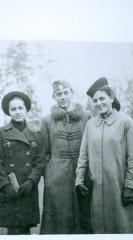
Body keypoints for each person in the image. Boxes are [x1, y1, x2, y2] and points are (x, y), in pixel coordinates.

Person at [75, 77, 133, 233]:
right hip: (96, 190)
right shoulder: (91, 124)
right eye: (95, 100)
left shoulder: (125, 122)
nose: (98, 103)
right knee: (100, 228)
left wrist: (130, 187)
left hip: (119, 188)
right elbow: (83, 155)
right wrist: (79, 179)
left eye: (102, 98)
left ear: (111, 98)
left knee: (123, 226)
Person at [0, 91, 46, 235]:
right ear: (8, 112)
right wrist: (5, 186)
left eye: (20, 108)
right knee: (13, 230)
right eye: (13, 109)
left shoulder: (36, 135)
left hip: (28, 189)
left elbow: (39, 163)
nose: (17, 112)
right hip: (9, 190)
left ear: (26, 109)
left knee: (25, 229)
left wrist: (30, 182)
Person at [40, 80, 91, 234]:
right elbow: (44, 152)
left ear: (72, 93)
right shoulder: (47, 120)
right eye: (59, 94)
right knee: (59, 219)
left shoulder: (86, 116)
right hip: (57, 176)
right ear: (54, 96)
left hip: (82, 172)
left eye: (66, 92)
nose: (63, 97)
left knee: (84, 214)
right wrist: (49, 174)